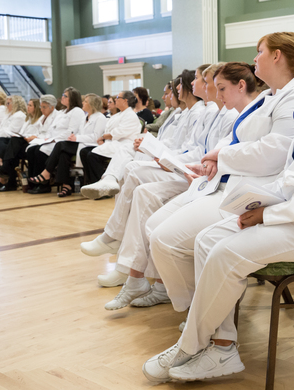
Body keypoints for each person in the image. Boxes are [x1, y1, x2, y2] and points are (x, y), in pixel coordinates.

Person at [143, 29, 294, 383]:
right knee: (208, 239)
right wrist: (259, 200)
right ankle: (222, 346)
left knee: (228, 253)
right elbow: (293, 175)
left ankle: (188, 346)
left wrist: (268, 213)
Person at [146, 31, 294, 333]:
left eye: (259, 51)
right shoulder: (267, 96)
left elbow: (275, 152)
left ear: (277, 56)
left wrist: (220, 156)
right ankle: (199, 310)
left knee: (166, 240)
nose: (255, 59)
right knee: (157, 232)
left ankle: (201, 315)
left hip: (252, 193)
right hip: (226, 183)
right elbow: (236, 134)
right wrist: (214, 156)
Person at [92, 62, 241, 307]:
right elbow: (196, 150)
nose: (194, 84)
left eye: (200, 80)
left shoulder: (221, 113)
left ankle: (129, 262)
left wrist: (169, 159)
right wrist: (165, 157)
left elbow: (204, 154)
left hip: (201, 179)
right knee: (140, 189)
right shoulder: (210, 112)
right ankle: (135, 272)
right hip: (192, 171)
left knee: (138, 181)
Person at [78, 91, 145, 196]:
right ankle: (92, 182)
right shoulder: (118, 115)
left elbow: (120, 132)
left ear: (125, 101)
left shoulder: (131, 115)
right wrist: (104, 138)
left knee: (92, 155)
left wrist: (104, 137)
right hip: (111, 143)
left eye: (118, 97)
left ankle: (101, 186)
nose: (115, 99)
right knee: (84, 152)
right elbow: (108, 130)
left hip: (122, 144)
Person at [39, 93, 107, 196]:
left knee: (60, 145)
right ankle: (66, 186)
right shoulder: (85, 117)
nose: (83, 103)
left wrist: (77, 138)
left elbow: (96, 137)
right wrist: (73, 137)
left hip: (90, 145)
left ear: (92, 104)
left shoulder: (100, 118)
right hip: (80, 143)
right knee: (63, 154)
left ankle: (47, 172)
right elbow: (79, 132)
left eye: (85, 101)